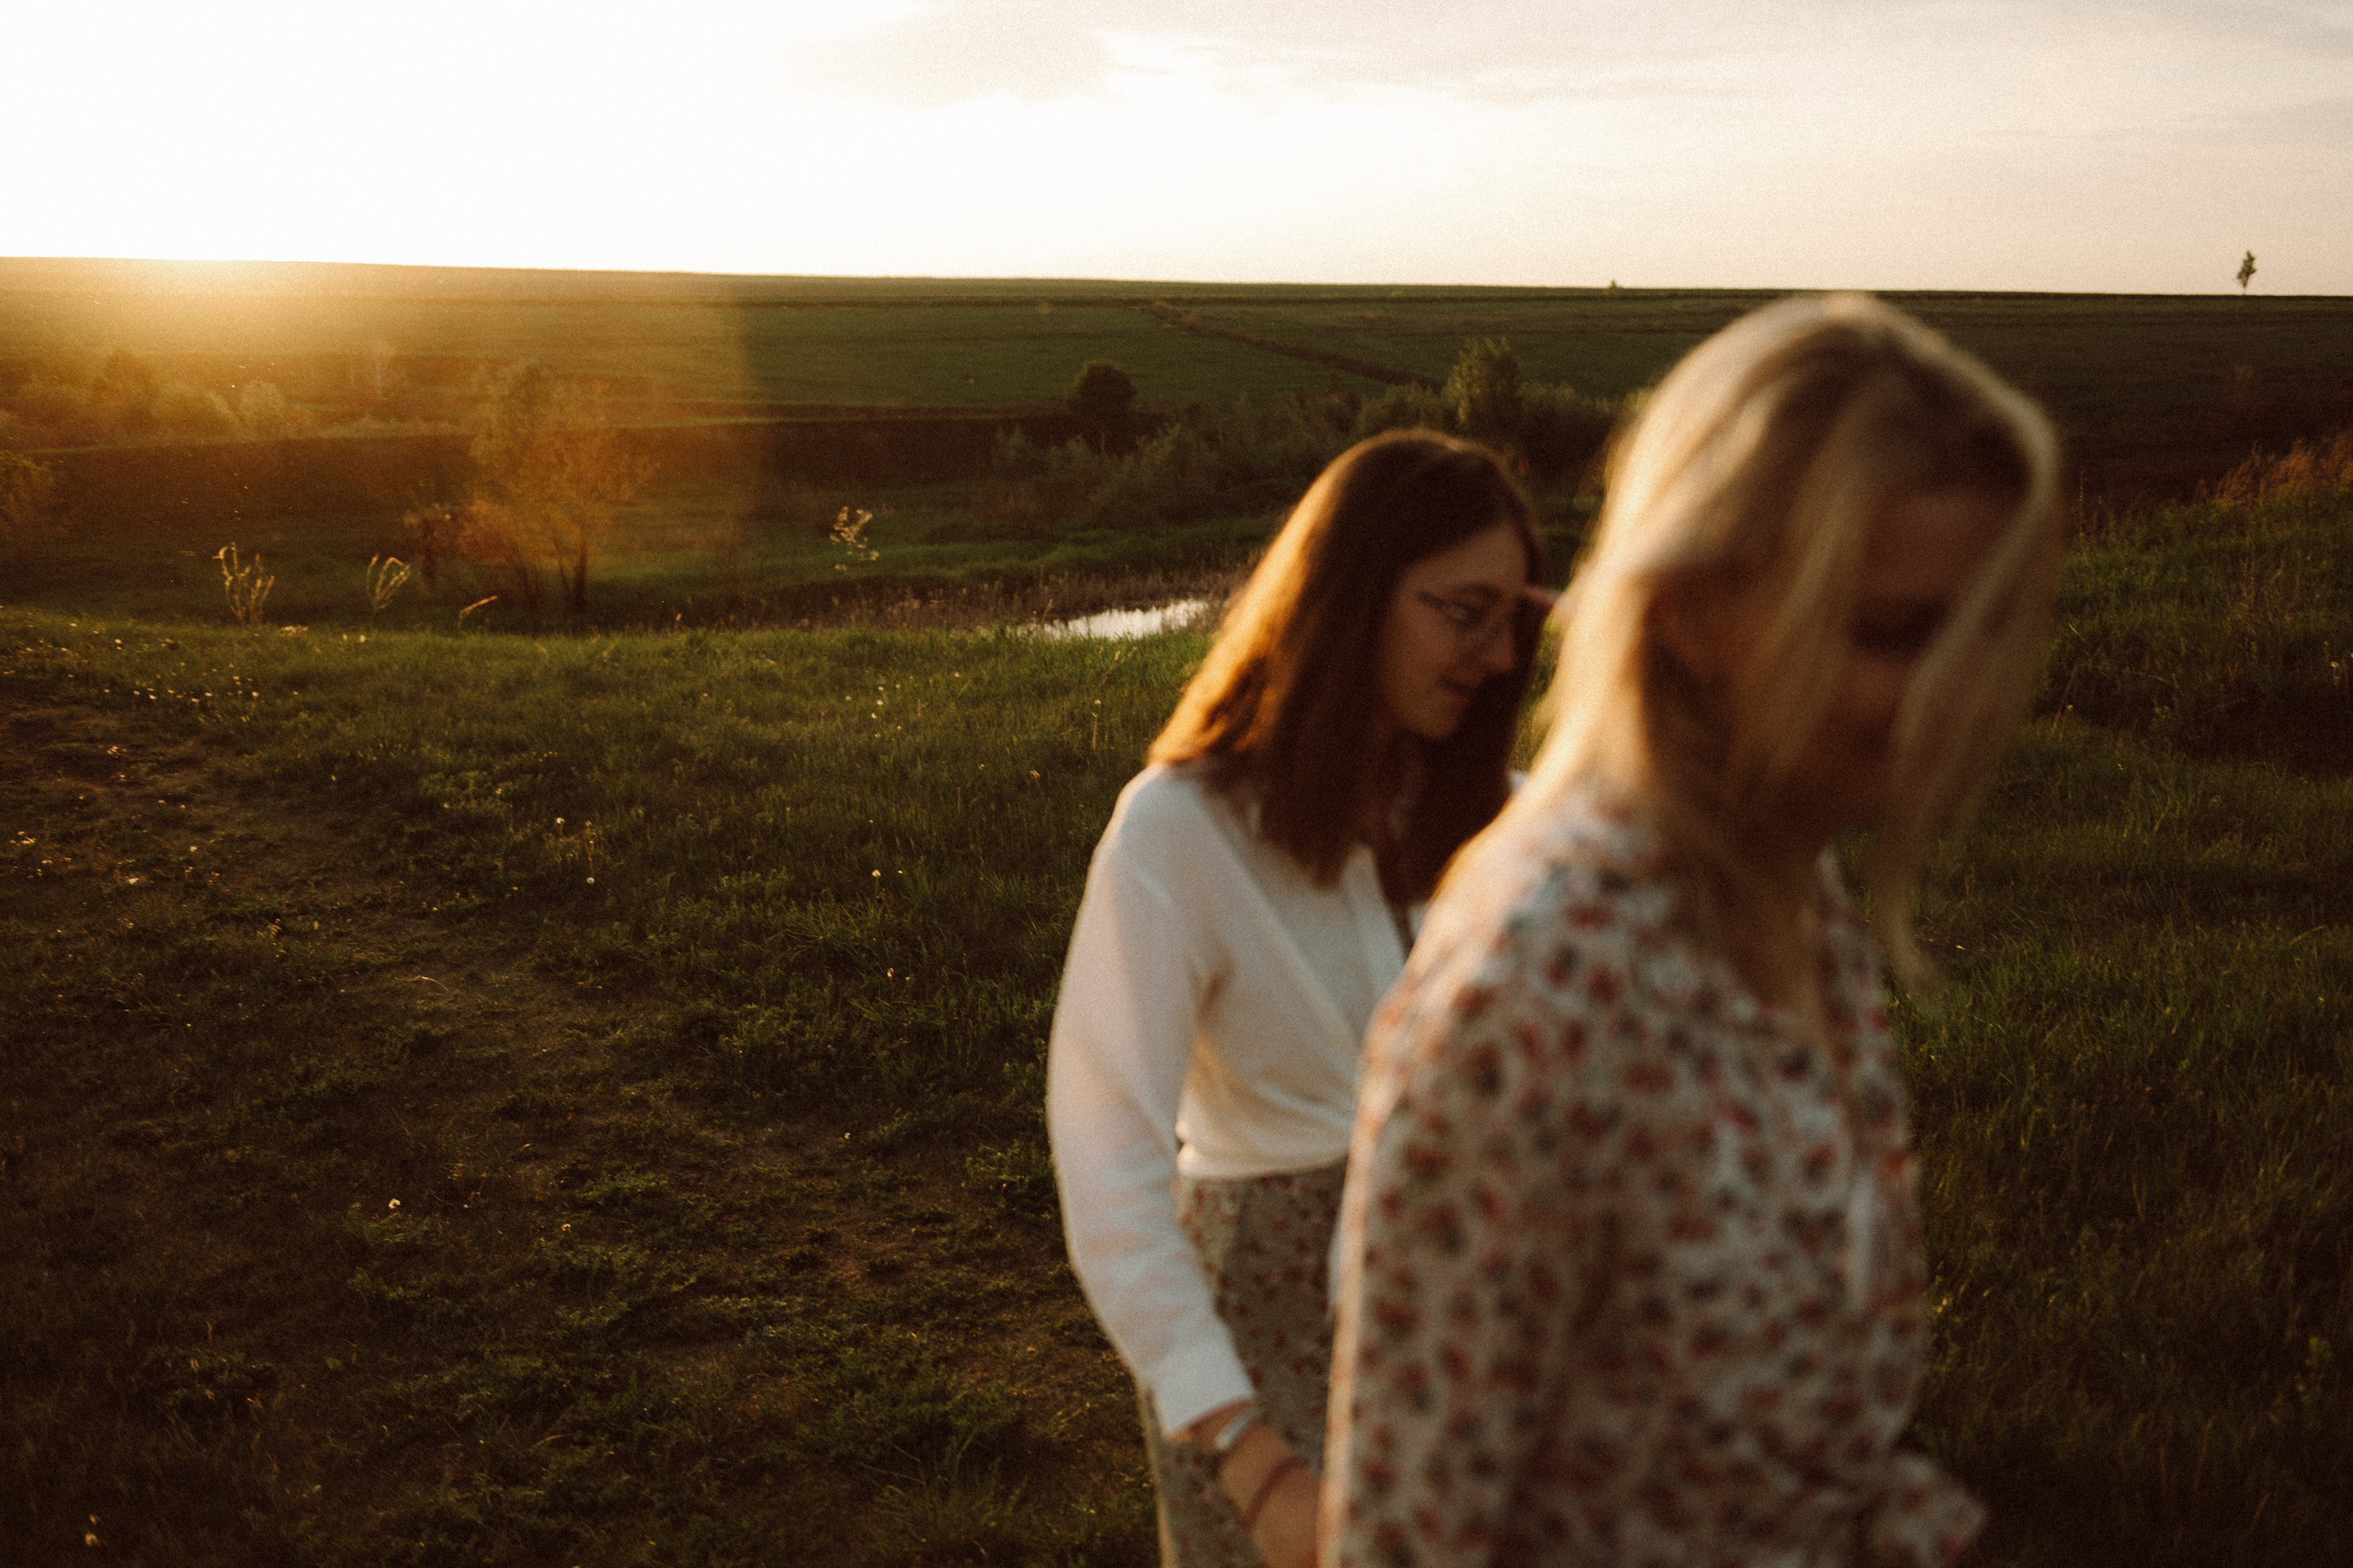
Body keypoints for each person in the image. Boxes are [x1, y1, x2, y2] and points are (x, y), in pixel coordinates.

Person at [1323, 294, 2063, 1567]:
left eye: (1985, 620)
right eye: (1892, 629)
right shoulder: (1541, 987)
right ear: (1691, 613)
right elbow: (1407, 1535)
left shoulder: (1791, 891)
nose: (1960, 688)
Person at [1048, 429, 1548, 1568]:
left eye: (1516, 616)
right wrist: (1250, 1455)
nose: (1494, 652)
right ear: (1354, 593)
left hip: (1478, 1325)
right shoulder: (1181, 830)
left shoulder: (1505, 819)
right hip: (1263, 1335)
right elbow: (1107, 1158)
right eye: (1461, 611)